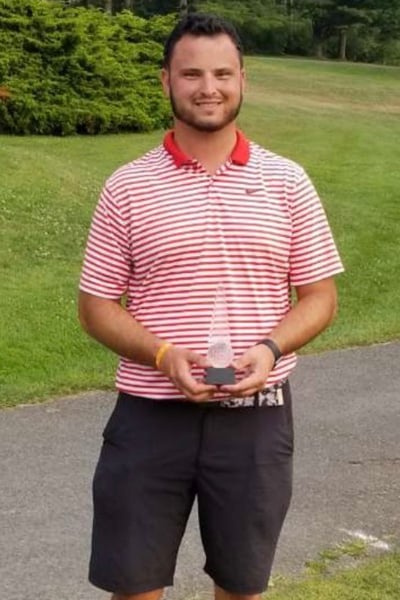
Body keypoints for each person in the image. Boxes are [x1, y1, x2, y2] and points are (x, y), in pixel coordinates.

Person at [78, 13, 344, 600]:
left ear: (243, 78)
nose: (209, 87)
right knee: (134, 586)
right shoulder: (127, 186)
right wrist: (163, 352)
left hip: (258, 414)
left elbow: (320, 296)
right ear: (165, 81)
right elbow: (96, 305)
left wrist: (270, 348)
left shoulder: (288, 181)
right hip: (150, 415)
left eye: (223, 73)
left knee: (241, 588)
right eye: (191, 73)